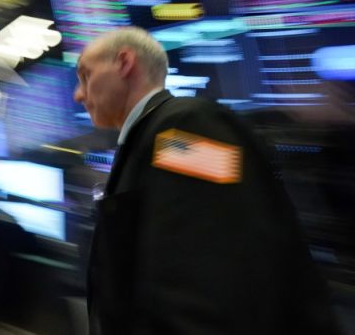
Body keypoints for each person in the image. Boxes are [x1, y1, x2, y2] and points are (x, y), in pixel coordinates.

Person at [73, 27, 340, 335]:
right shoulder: (150, 138)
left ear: (124, 62)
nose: (78, 93)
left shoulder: (184, 131)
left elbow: (207, 278)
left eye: (85, 75)